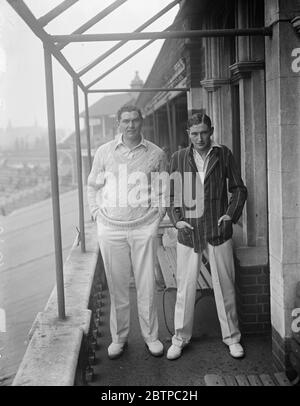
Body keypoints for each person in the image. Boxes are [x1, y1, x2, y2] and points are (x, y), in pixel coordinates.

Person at [87, 105, 167, 359]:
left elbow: (163, 189)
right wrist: (95, 213)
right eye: (125, 121)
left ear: (141, 122)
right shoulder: (104, 152)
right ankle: (119, 338)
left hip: (143, 226)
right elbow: (92, 186)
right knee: (117, 286)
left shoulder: (156, 153)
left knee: (146, 286)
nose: (130, 125)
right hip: (111, 229)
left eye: (134, 120)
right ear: (118, 123)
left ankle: (151, 337)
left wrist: (157, 216)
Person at [166, 113, 247, 360]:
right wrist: (177, 219)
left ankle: (232, 338)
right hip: (189, 231)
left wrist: (230, 215)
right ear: (187, 135)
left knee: (225, 287)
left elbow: (238, 189)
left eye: (203, 132)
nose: (199, 138)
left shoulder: (224, 154)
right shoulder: (178, 158)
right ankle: (179, 338)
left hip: (217, 229)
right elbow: (171, 194)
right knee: (185, 288)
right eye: (194, 133)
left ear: (211, 130)